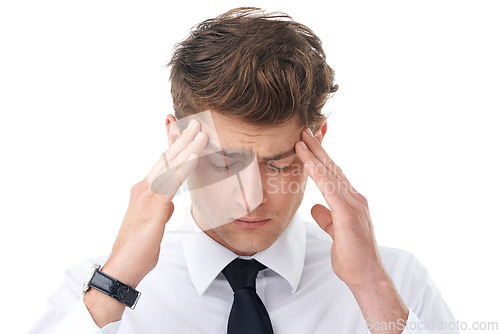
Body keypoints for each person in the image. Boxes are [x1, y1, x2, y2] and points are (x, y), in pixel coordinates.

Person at [30, 7, 457, 334]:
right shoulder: (92, 295)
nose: (251, 198)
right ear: (177, 142)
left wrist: (372, 290)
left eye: (280, 163)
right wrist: (115, 283)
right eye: (223, 162)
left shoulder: (395, 281)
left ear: (318, 141)